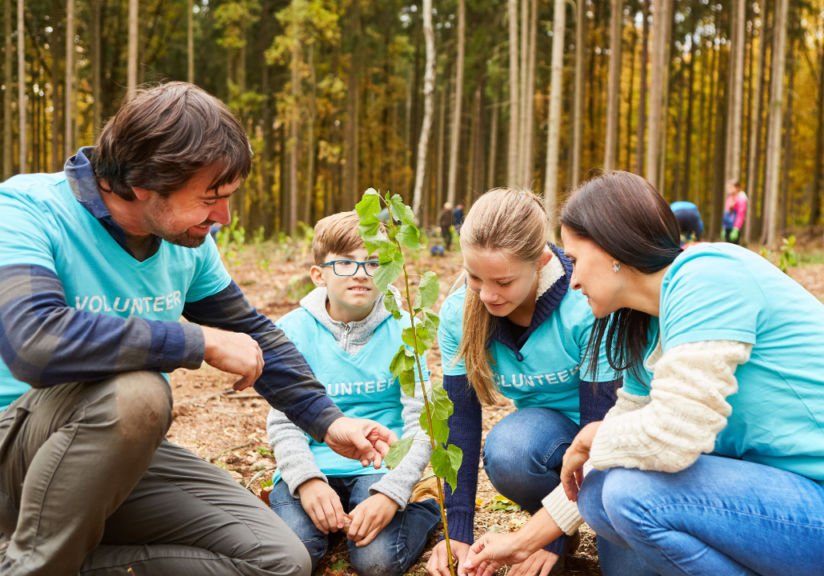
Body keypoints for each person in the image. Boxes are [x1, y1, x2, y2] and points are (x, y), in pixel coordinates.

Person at [0, 82, 396, 576]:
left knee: (280, 561)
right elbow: (34, 341)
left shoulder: (186, 242)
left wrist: (328, 421)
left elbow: (253, 332)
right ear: (142, 180)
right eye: (210, 198)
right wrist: (198, 341)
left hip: (116, 458)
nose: (223, 217)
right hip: (15, 452)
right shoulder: (28, 210)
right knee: (138, 395)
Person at [463, 171, 824, 576]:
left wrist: (592, 436)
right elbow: (605, 462)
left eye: (575, 258)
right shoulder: (649, 328)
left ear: (612, 251)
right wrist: (523, 542)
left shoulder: (708, 277)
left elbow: (674, 435)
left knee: (627, 492)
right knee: (605, 488)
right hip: (798, 507)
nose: (574, 278)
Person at [426, 188, 658, 576]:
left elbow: (597, 425)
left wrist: (545, 535)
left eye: (503, 281)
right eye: (474, 277)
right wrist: (458, 530)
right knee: (510, 449)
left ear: (542, 260)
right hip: (544, 439)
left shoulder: (587, 305)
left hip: (610, 436)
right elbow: (460, 422)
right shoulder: (457, 315)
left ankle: (565, 525)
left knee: (628, 570)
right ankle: (559, 528)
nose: (487, 295)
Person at [267, 212, 441, 575]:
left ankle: (421, 509)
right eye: (345, 262)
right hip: (311, 467)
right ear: (319, 275)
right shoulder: (292, 331)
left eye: (374, 263)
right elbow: (283, 421)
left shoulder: (406, 331)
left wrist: (392, 492)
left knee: (376, 562)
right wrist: (308, 480)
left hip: (380, 469)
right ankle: (326, 518)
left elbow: (421, 424)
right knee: (290, 556)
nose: (361, 273)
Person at [721, 179, 747, 244]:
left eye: (730, 187)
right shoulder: (729, 199)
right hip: (727, 227)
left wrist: (736, 228)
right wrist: (723, 227)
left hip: (734, 227)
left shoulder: (741, 200)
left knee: (734, 246)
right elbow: (726, 214)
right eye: (727, 187)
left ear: (737, 188)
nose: (728, 189)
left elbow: (741, 215)